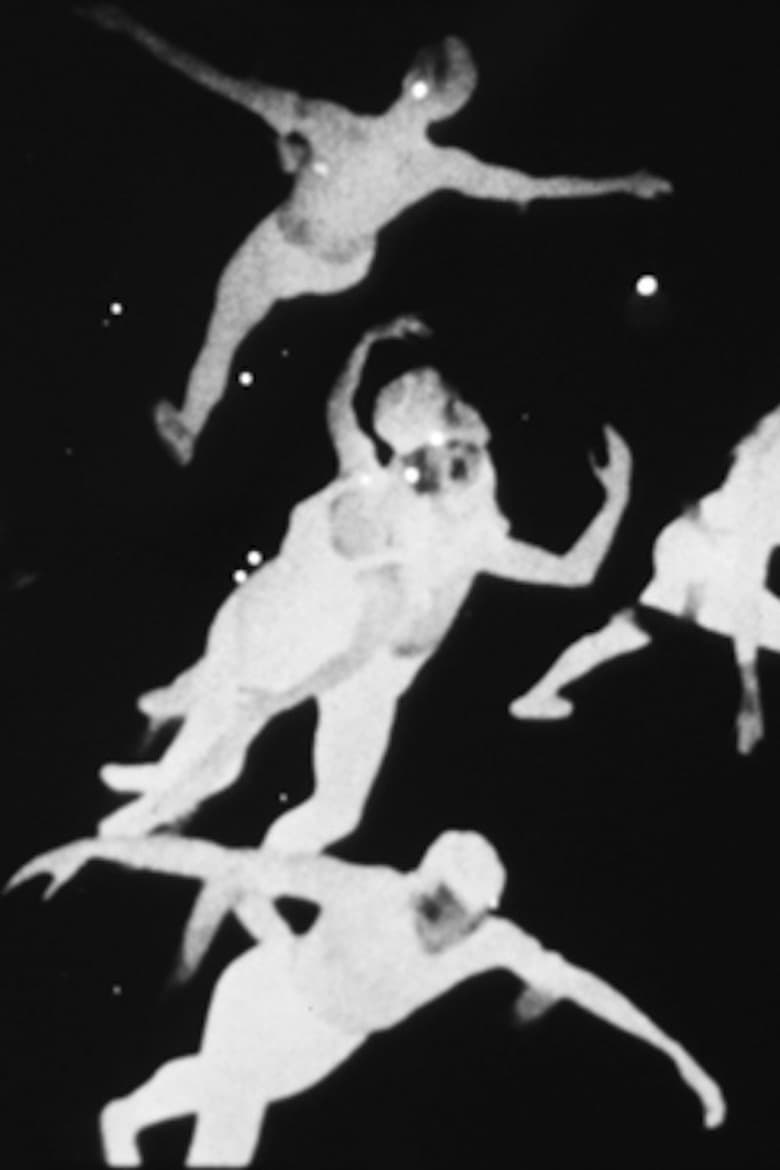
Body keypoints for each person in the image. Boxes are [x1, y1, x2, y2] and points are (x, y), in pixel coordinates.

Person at [95, 316, 633, 849]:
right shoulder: (407, 515)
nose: (469, 458)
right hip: (339, 641)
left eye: (468, 455)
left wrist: (616, 497)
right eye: (457, 457)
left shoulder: (457, 521)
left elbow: (573, 571)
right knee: (236, 716)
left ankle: (206, 822)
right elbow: (343, 416)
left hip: (369, 666)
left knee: (330, 800)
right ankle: (162, 790)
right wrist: (616, 497)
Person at [84, 4, 672, 463]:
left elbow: (219, 80)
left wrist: (133, 29)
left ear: (415, 78)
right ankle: (190, 422)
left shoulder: (337, 123)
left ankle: (192, 421)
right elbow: (532, 186)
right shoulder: (420, 158)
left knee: (226, 325)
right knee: (233, 312)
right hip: (332, 263)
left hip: (296, 246)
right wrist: (625, 183)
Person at [6, 829, 726, 1166]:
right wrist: (93, 849)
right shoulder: (365, 887)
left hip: (328, 1042)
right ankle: (126, 1121)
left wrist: (677, 1055)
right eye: (438, 906)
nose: (445, 928)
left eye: (463, 918)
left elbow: (585, 985)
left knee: (218, 1089)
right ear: (418, 885)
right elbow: (223, 861)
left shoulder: (491, 941)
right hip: (267, 998)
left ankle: (124, 1115)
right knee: (228, 1131)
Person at [510, 402, 780, 754]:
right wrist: (750, 695)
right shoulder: (766, 497)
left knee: (632, 628)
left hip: (689, 541)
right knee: (646, 623)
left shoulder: (765, 449)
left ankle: (538, 693)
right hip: (706, 560)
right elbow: (745, 594)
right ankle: (541, 692)